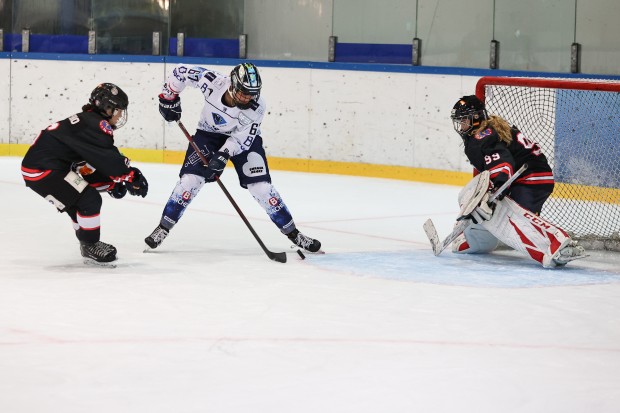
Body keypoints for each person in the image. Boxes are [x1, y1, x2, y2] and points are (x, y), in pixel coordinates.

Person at [145, 62, 321, 253]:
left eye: (252, 93)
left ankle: (294, 234)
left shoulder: (257, 106)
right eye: (244, 92)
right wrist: (168, 97)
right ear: (232, 85)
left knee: (262, 188)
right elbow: (180, 72)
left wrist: (223, 155)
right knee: (190, 181)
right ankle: (163, 228)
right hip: (208, 134)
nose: (248, 98)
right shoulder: (213, 82)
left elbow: (241, 139)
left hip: (243, 140)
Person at [449, 95, 585, 267]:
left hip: (528, 178)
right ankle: (478, 240)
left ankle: (555, 243)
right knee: (495, 211)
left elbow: (503, 164)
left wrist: (496, 188)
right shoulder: (490, 128)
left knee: (504, 214)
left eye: (463, 121)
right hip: (535, 176)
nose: (461, 126)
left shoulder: (482, 137)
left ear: (475, 118)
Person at [21, 83, 149, 265]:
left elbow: (88, 165)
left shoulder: (87, 121)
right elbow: (109, 161)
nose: (120, 115)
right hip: (45, 171)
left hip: (44, 169)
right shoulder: (97, 125)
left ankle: (86, 241)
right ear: (107, 107)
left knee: (77, 201)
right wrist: (130, 175)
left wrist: (112, 183)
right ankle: (90, 244)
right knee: (89, 200)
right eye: (118, 110)